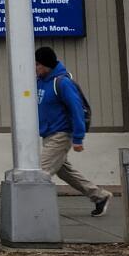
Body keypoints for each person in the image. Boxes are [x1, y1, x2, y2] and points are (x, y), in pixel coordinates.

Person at [30, 45, 107, 215]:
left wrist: (78, 138)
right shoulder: (39, 81)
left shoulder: (62, 83)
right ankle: (99, 196)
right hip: (48, 134)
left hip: (61, 134)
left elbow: (76, 109)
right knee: (65, 172)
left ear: (46, 65)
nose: (35, 68)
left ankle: (33, 212)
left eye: (37, 64)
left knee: (40, 173)